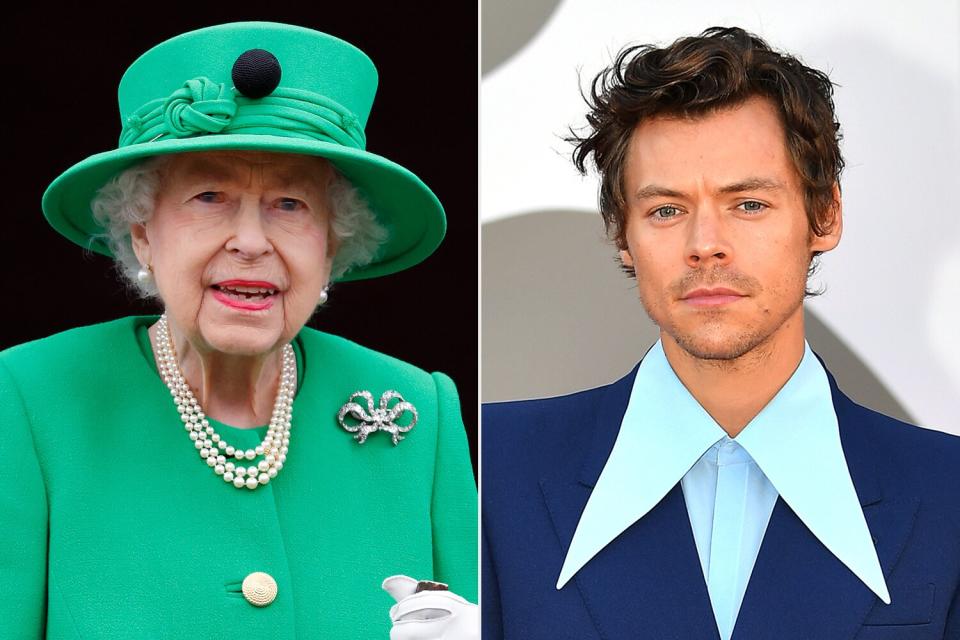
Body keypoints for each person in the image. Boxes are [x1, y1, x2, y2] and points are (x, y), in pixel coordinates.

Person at [0, 21, 477, 639]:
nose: (251, 241)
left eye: (290, 204)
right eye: (209, 196)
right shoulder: (29, 399)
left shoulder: (419, 411)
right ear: (144, 232)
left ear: (333, 245)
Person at [481, 27, 959, 639]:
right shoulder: (491, 467)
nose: (705, 244)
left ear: (825, 215)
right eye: (666, 210)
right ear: (622, 236)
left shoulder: (948, 495)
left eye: (749, 204)